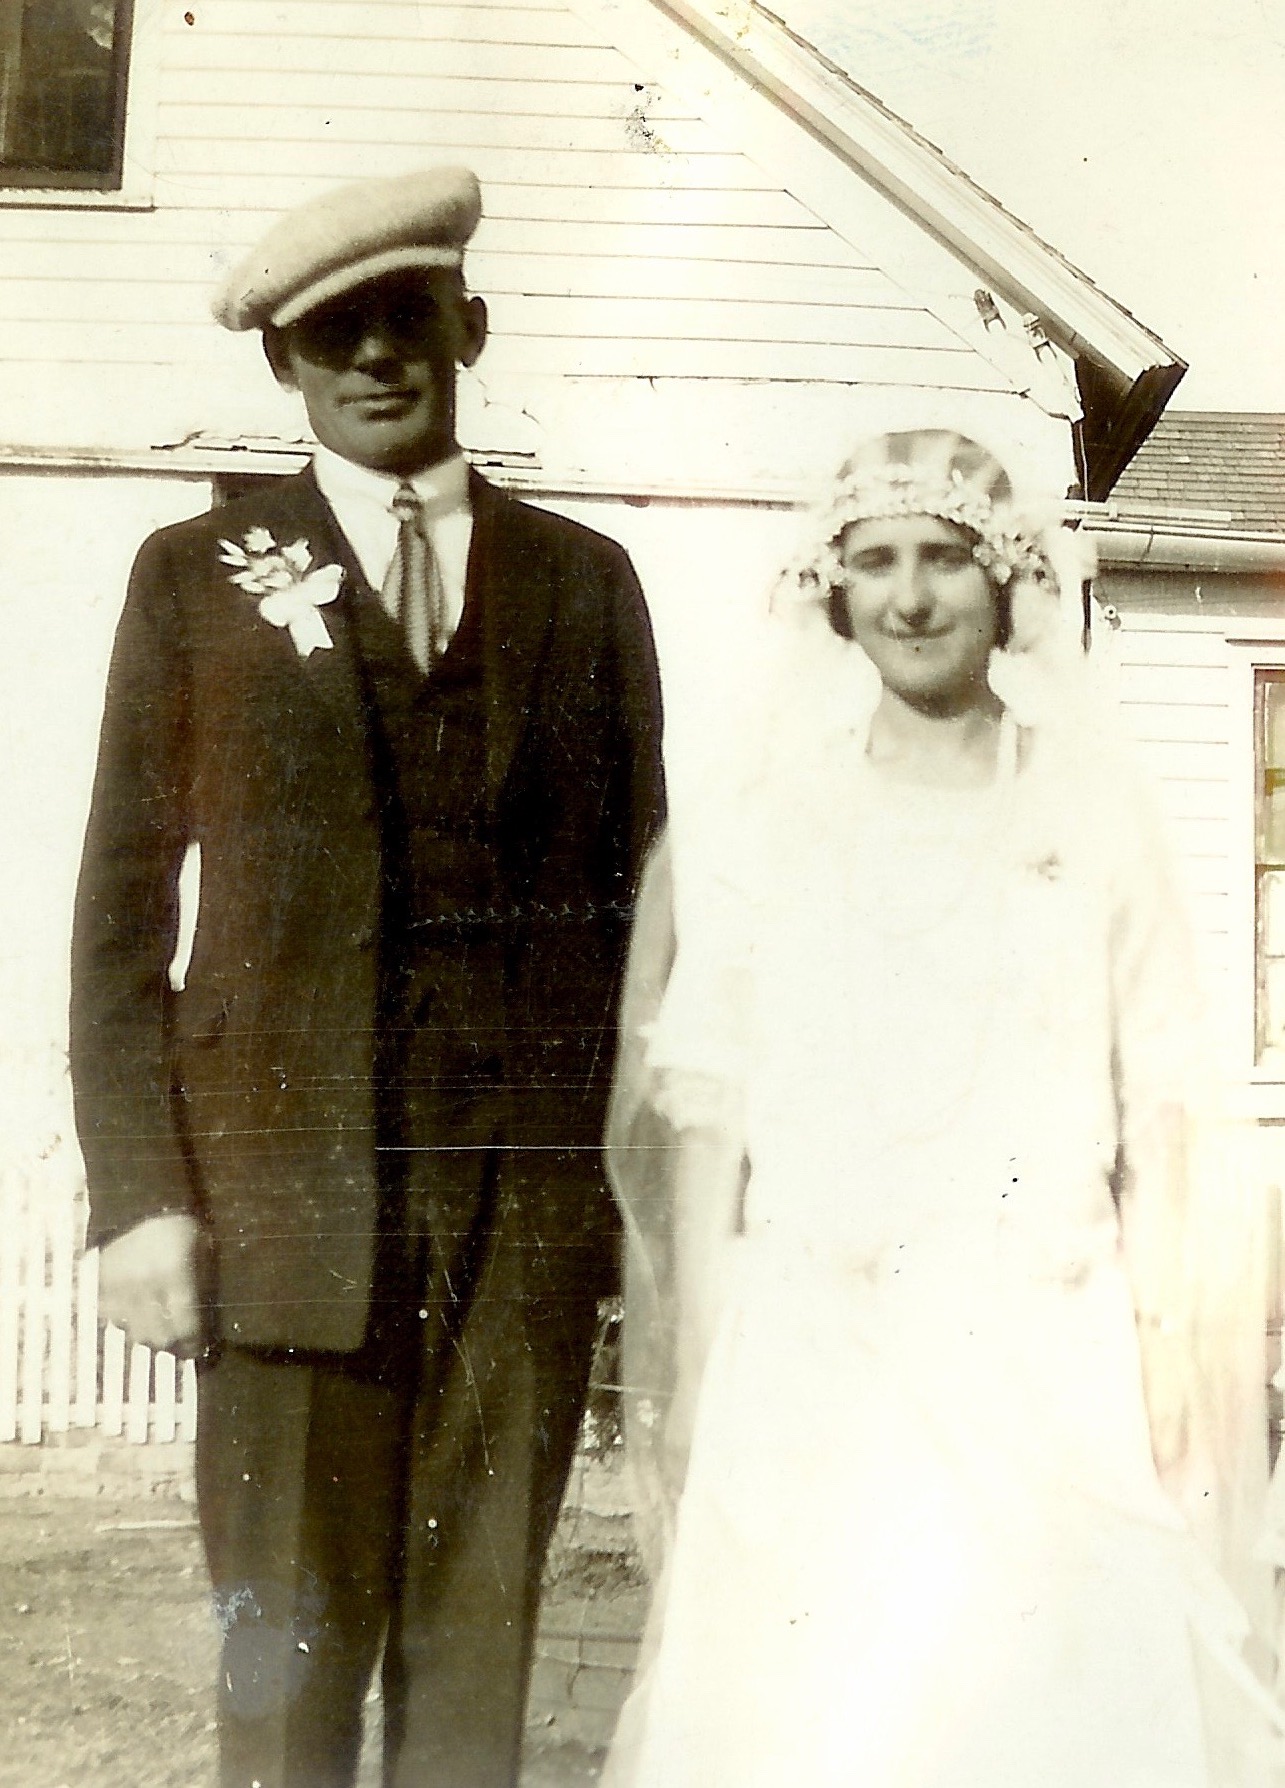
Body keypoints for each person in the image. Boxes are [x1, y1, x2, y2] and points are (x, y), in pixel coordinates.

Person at [69, 166, 664, 1788]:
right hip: (278, 1204)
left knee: (476, 1670)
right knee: (285, 1665)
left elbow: (643, 922)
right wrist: (140, 1200)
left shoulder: (584, 581)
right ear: (284, 360)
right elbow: (119, 918)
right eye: (336, 331)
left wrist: (628, 1200)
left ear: (469, 327)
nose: (377, 357)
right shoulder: (194, 575)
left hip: (518, 1212)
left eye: (408, 318)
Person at [603, 427, 1283, 1787]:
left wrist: (1172, 1354)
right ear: (834, 591)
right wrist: (698, 1374)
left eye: (943, 560)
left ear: (1005, 578)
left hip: (1044, 1341)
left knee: (1055, 1709)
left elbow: (1161, 1112)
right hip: (816, 1351)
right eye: (875, 563)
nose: (910, 600)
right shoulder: (765, 820)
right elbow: (711, 1122)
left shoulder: (1093, 811)